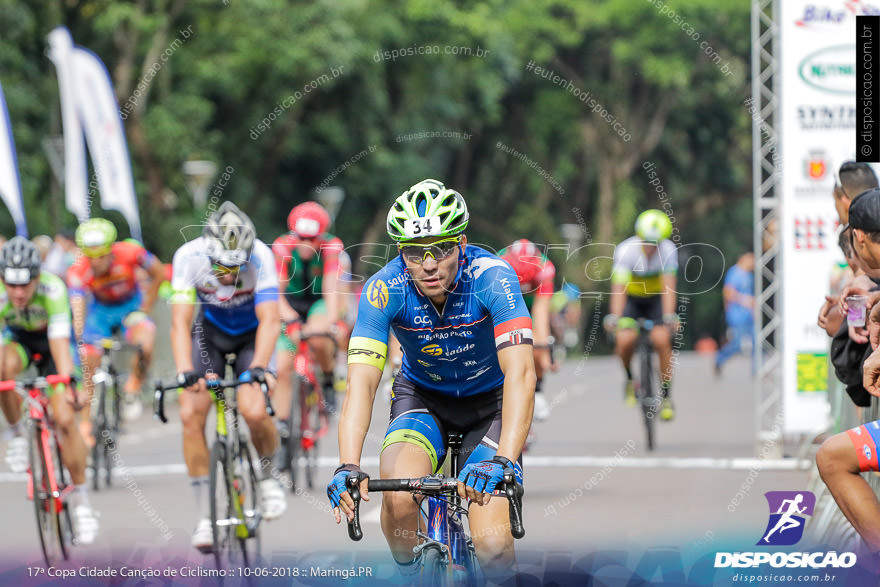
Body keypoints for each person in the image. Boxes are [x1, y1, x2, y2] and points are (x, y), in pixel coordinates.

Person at [326, 179, 534, 583]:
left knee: (493, 547)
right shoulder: (384, 289)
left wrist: (506, 460)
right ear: (399, 252)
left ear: (462, 242)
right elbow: (362, 384)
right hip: (422, 399)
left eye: (441, 248)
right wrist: (347, 465)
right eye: (414, 252)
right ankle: (412, 575)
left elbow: (522, 374)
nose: (428, 263)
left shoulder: (493, 278)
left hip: (489, 404)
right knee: (401, 500)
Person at [169, 201, 286, 552]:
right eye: (222, 266)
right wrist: (184, 371)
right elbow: (179, 322)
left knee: (253, 410)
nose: (229, 274)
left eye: (237, 266)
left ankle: (267, 479)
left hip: (252, 335)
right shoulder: (187, 256)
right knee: (190, 414)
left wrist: (260, 368)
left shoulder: (262, 256)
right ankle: (205, 517)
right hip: (210, 336)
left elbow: (270, 319)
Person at [0, 237, 98, 543]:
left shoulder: (54, 289)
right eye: (11, 285)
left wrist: (69, 383)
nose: (17, 293)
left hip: (55, 348)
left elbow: (60, 343)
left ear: (37, 277)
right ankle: (16, 434)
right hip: (20, 345)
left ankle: (82, 505)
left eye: (24, 286)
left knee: (65, 418)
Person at [67, 219, 165, 432]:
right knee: (88, 358)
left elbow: (159, 272)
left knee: (145, 342)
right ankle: (86, 423)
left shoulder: (131, 252)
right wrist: (79, 333)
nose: (96, 262)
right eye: (90, 256)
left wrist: (146, 306)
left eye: (101, 256)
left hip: (130, 307)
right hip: (100, 313)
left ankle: (132, 388)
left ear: (112, 248)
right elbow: (78, 307)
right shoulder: (77, 270)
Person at [603, 209, 679, 420]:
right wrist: (615, 318)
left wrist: (670, 316)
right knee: (625, 339)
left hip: (655, 299)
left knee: (662, 339)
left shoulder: (668, 250)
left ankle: (666, 396)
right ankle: (629, 378)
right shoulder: (626, 250)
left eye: (655, 243)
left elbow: (668, 288)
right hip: (632, 300)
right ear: (638, 236)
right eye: (646, 242)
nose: (650, 248)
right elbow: (618, 289)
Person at [499, 239, 558, 421]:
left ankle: (538, 390)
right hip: (507, 298)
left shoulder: (545, 266)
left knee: (538, 342)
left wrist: (544, 348)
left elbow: (541, 312)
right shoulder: (499, 263)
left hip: (534, 302)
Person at [715, 252, 755, 375]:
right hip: (737, 316)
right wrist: (743, 300)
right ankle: (719, 359)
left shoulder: (749, 275)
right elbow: (727, 292)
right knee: (737, 344)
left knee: (757, 342)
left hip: (748, 315)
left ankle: (757, 370)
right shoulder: (735, 273)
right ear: (744, 258)